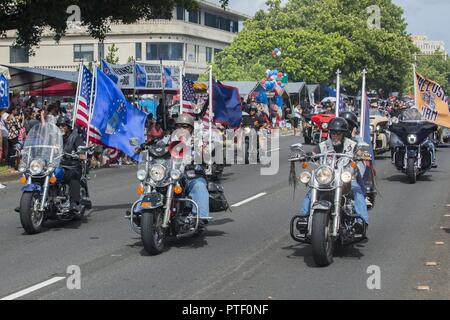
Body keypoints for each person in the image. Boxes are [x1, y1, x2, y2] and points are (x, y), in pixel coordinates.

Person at [297, 117, 369, 237]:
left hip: (345, 179)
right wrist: (306, 155)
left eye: (338, 133)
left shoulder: (352, 145)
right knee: (310, 190)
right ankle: (304, 218)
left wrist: (362, 154)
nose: (335, 135)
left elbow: (359, 153)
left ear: (344, 133)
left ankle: (361, 221)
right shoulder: (323, 145)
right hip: (326, 179)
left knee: (358, 192)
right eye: (333, 132)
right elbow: (314, 153)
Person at [172, 114, 211, 227]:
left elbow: (206, 151)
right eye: (179, 126)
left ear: (191, 129)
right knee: (152, 184)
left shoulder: (196, 141)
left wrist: (204, 152)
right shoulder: (169, 139)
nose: (182, 129)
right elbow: (157, 147)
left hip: (191, 176)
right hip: (171, 175)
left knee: (199, 186)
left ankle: (201, 217)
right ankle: (141, 212)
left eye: (185, 126)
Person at [56, 116, 85, 213]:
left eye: (63, 125)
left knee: (73, 175)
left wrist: (81, 153)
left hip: (71, 165)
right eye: (58, 125)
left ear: (68, 126)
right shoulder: (54, 137)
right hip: (56, 165)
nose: (60, 127)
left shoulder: (75, 137)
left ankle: (74, 203)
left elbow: (80, 146)